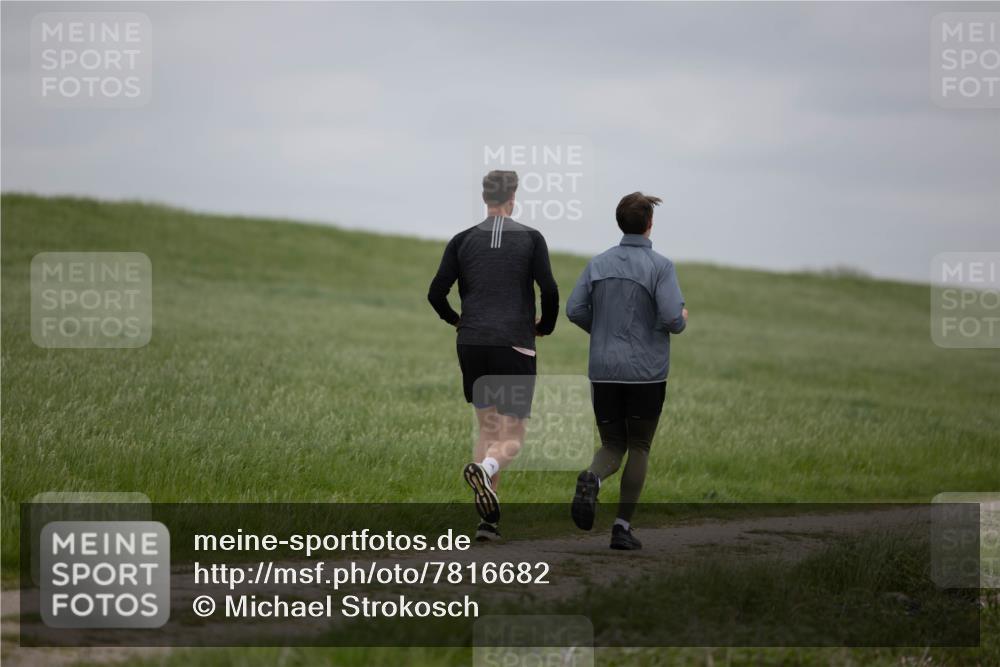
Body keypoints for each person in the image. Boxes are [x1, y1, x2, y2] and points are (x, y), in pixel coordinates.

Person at [428, 170, 559, 541]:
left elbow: (436, 293)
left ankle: (488, 523)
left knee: (487, 428)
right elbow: (548, 290)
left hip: (471, 343)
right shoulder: (531, 239)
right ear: (513, 198)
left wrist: (457, 321)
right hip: (514, 343)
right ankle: (485, 471)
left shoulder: (461, 240)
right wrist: (544, 327)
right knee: (513, 434)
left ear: (485, 198)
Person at [565, 192, 687, 550]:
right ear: (650, 224)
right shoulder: (660, 266)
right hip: (646, 373)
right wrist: (680, 319)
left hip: (603, 370)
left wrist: (602, 332)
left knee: (611, 444)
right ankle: (621, 528)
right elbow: (670, 319)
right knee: (639, 445)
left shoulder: (597, 263)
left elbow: (575, 310)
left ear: (620, 223)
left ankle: (592, 476)